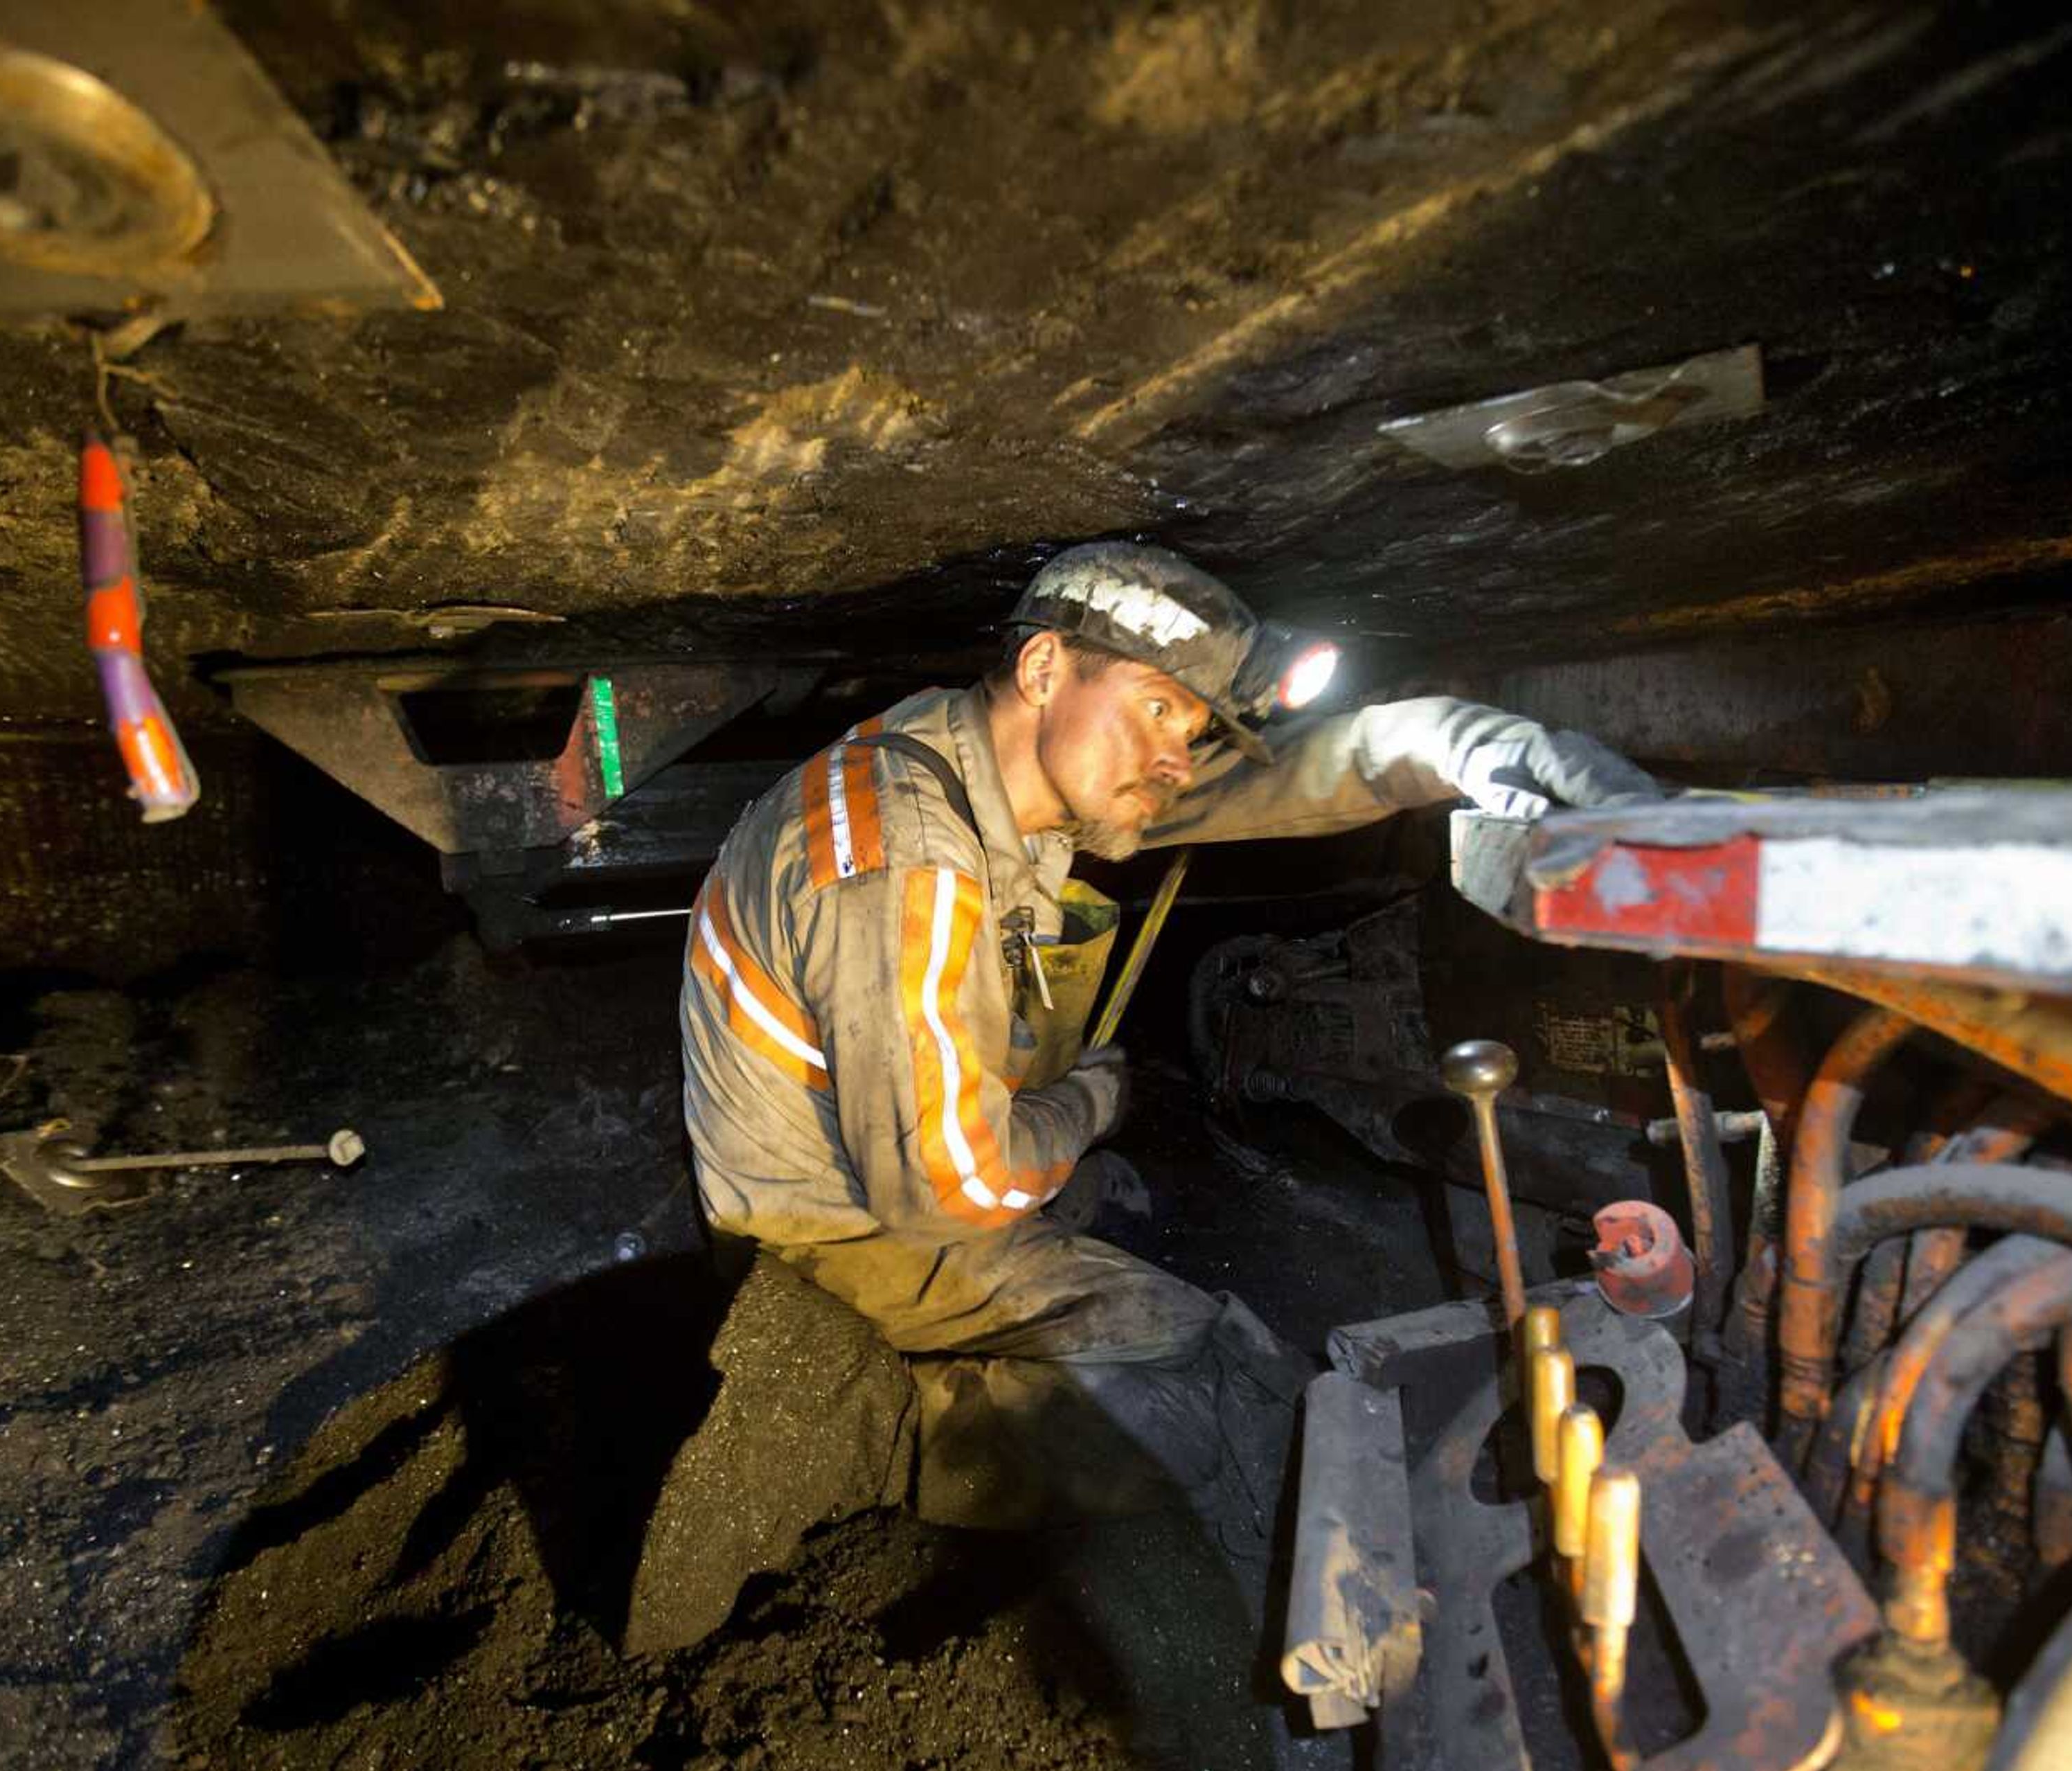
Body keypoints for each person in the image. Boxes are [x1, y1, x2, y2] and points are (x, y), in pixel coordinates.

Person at [677, 541, 1656, 1544]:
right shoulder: (907, 864)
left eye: (1189, 729)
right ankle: (854, 1421)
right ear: (1045, 668)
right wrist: (1094, 1105)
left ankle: (1029, 1243)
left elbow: (1306, 777)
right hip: (822, 1231)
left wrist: (1467, 745)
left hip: (865, 1147)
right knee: (1199, 1373)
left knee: (1076, 1196)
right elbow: (942, 1188)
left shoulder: (970, 751)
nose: (1178, 759)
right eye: (1158, 709)